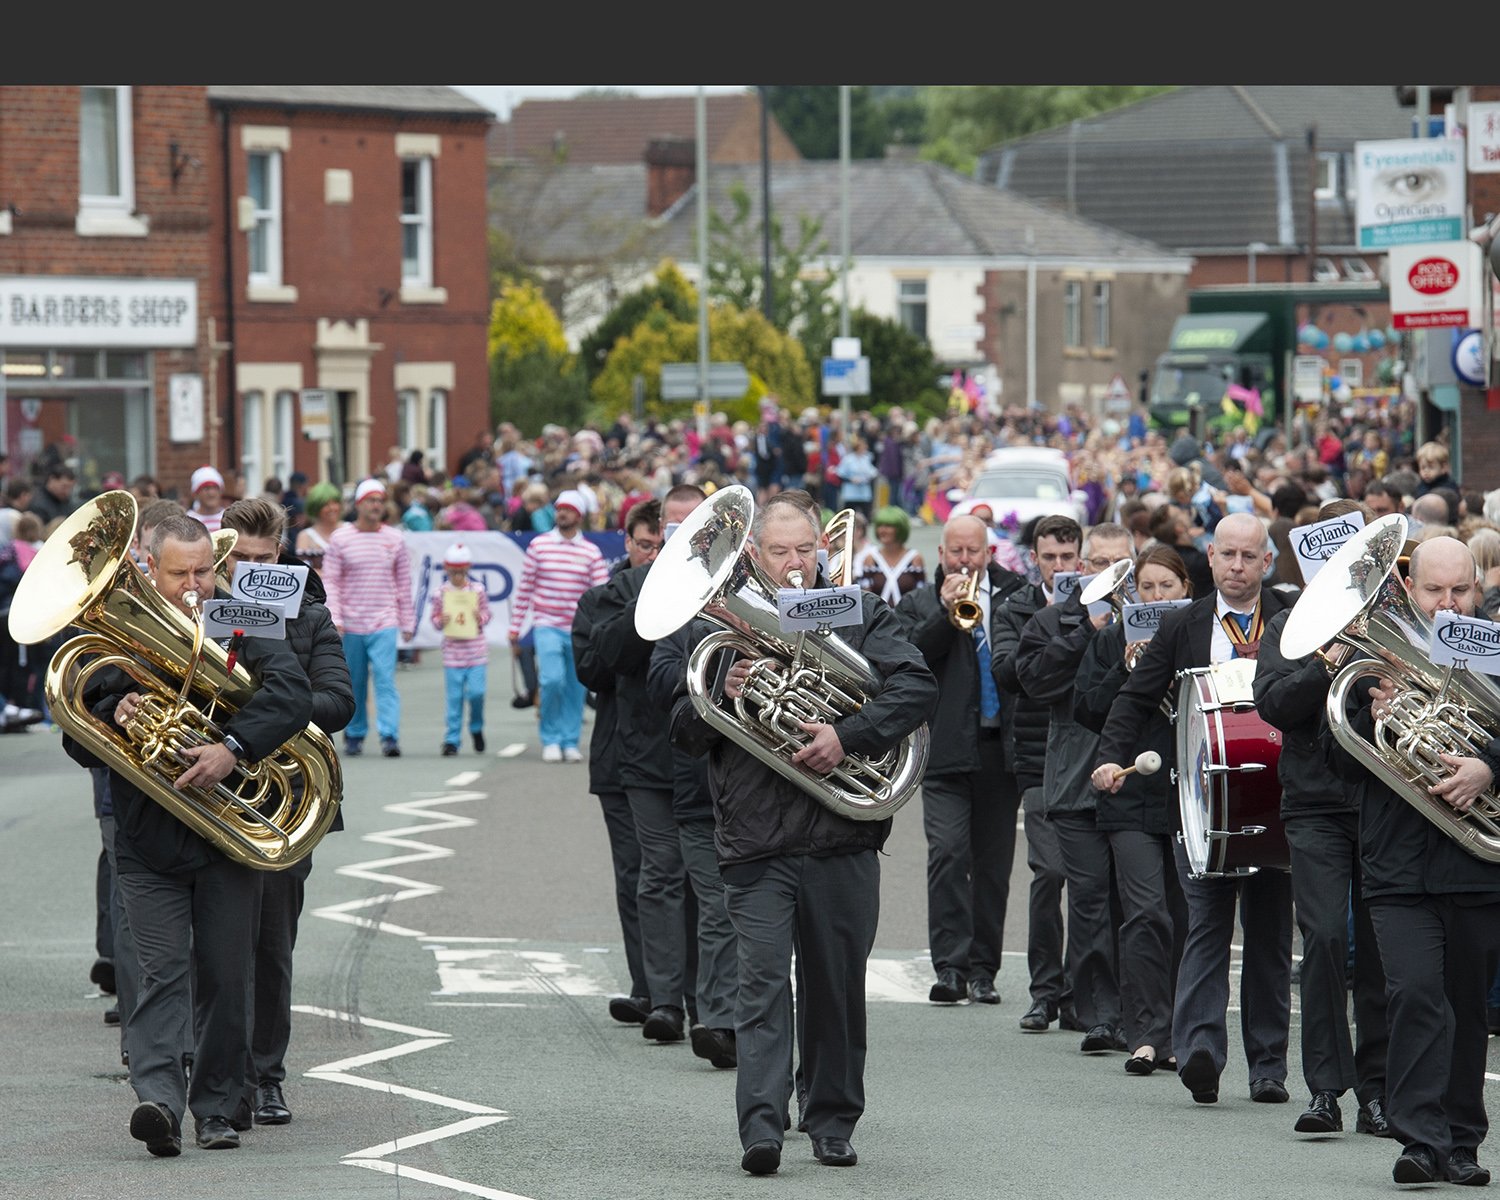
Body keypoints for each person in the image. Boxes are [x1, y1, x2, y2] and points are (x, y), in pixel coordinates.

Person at [671, 493, 938, 1175]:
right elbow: (677, 724)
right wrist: (725, 693)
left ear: (823, 549)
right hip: (754, 839)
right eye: (780, 552)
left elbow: (915, 687)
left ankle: (831, 1118)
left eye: (805, 551)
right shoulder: (713, 627)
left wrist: (846, 734)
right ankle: (760, 1127)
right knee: (759, 986)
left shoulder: (860, 610)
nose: (795, 565)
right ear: (752, 554)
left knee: (837, 986)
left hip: (842, 835)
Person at [60, 513, 312, 1156]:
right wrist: (113, 713)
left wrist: (232, 747)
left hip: (227, 839)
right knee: (156, 972)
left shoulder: (237, 616)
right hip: (147, 841)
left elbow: (291, 693)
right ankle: (159, 1104)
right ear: (150, 566)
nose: (194, 585)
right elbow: (75, 731)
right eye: (180, 573)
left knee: (227, 977)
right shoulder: (118, 629)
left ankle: (220, 1107)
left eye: (203, 570)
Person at [1094, 513, 1294, 1106]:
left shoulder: (1288, 616)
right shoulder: (1184, 623)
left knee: (1268, 934)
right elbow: (1134, 697)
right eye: (1227, 554)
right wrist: (1109, 757)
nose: (1236, 566)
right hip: (1204, 803)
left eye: (1248, 556)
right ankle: (1201, 1049)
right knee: (1206, 922)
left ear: (1266, 560)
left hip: (1278, 800)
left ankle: (1268, 1068)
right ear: (1210, 556)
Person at [1327, 536, 1500, 1184]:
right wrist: (1365, 709)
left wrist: (1489, 766)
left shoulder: (1499, 653)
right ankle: (1418, 1140)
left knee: (1464, 1005)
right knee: (1414, 994)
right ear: (1411, 588)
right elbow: (1332, 760)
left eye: (1460, 591)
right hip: (1397, 861)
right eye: (1435, 591)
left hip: (1477, 865)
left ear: (1476, 591)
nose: (1448, 603)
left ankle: (1461, 1141)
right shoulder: (1375, 660)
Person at [1254, 499, 1390, 1138]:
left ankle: (1379, 1093)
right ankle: (1326, 1091)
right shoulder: (1288, 624)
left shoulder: (1391, 622)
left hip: (1386, 801)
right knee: (1328, 941)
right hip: (1313, 807)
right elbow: (1275, 705)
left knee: (1383, 950)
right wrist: (1323, 661)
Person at [219, 497, 354, 1127]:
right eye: (237, 559)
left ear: (282, 553)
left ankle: (266, 1075)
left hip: (284, 803)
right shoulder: (199, 611)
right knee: (215, 944)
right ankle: (218, 1072)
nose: (248, 570)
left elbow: (337, 702)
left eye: (262, 558)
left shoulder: (311, 615)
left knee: (272, 945)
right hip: (207, 793)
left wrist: (265, 707)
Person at [588, 486, 738, 1051]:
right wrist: (654, 591)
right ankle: (664, 1000)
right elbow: (602, 663)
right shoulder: (624, 589)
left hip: (706, 756)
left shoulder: (730, 581)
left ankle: (710, 1006)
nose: (676, 542)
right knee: (658, 876)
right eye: (666, 534)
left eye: (686, 531)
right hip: (647, 757)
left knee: (710, 884)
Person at [896, 514, 1027, 1005]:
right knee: (947, 855)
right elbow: (905, 657)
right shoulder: (921, 600)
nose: (965, 560)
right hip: (948, 750)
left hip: (1001, 750)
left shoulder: (1016, 595)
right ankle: (950, 967)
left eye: (974, 552)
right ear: (942, 554)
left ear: (989, 553)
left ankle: (983, 971)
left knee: (993, 866)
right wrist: (945, 615)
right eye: (957, 552)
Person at [1016, 522, 1136, 1054]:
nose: (1111, 576)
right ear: (1083, 569)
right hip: (1073, 779)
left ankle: (1137, 1009)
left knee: (1133, 903)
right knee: (1088, 902)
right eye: (1100, 565)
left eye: (1122, 566)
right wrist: (1089, 631)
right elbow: (1034, 681)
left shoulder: (1153, 619)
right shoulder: (1051, 620)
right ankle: (1096, 1010)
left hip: (1136, 781)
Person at [1074, 544, 1190, 1074]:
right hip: (1128, 796)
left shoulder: (1199, 635)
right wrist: (1127, 671)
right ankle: (1144, 1033)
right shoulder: (1109, 639)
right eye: (1148, 588)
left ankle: (1174, 1033)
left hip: (1189, 793)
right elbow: (1089, 710)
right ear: (1133, 593)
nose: (1158, 596)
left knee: (1186, 916)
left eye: (1168, 587)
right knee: (1146, 913)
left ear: (1185, 590)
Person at [994, 515, 1085, 1033]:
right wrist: (1051, 624)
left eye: (1067, 558)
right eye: (1049, 557)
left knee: (1090, 881)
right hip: (1036, 756)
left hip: (1089, 753)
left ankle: (1081, 992)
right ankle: (1044, 992)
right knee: (1049, 872)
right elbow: (1009, 675)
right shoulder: (1016, 608)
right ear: (1034, 557)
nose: (1058, 566)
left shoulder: (1098, 606)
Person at [571, 501, 660, 1026]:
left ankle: (695, 991)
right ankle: (648, 986)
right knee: (637, 876)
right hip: (621, 758)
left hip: (685, 755)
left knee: (694, 877)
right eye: (646, 545)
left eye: (663, 548)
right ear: (627, 542)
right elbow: (594, 669)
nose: (653, 555)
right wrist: (647, 601)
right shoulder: (602, 598)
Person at [508, 489, 607, 761]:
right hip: (546, 624)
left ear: (579, 516)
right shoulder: (539, 545)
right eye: (559, 508)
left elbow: (601, 595)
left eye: (568, 509)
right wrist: (515, 626)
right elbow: (525, 587)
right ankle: (550, 737)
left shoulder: (590, 552)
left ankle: (569, 740)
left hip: (579, 631)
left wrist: (599, 630)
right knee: (551, 680)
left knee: (576, 686)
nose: (561, 513)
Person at [321, 478, 415, 758]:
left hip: (384, 621)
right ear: (359, 504)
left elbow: (403, 582)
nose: (376, 506)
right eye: (371, 500)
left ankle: (389, 735)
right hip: (351, 623)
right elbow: (332, 581)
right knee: (355, 681)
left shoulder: (394, 539)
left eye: (380, 500)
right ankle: (355, 732)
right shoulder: (341, 538)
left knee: (385, 679)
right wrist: (335, 616)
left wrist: (407, 621)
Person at [430, 543, 491, 755]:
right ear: (446, 570)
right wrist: (441, 620)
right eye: (453, 571)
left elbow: (487, 615)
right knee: (454, 698)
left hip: (476, 652)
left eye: (461, 571)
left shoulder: (477, 590)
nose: (457, 576)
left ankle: (476, 727)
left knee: (477, 693)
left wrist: (478, 617)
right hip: (452, 653)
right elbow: (435, 620)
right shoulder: (440, 593)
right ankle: (452, 739)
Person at [856, 506, 925, 606]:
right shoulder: (871, 558)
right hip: (879, 619)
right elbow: (866, 597)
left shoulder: (915, 558)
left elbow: (921, 595)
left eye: (888, 526)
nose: (882, 530)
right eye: (879, 526)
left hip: (907, 618)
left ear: (900, 528)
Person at [296, 482, 344, 572]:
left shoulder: (350, 530)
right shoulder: (306, 536)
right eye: (326, 504)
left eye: (335, 503)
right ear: (316, 508)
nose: (332, 508)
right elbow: (304, 572)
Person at [187, 466, 227, 532]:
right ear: (196, 493)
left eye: (215, 488)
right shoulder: (188, 520)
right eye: (206, 488)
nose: (211, 493)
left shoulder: (228, 518)